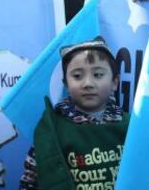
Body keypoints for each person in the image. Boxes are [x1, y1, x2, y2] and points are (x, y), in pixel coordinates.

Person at [20, 37, 129, 190]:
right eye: (77, 76)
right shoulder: (51, 130)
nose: (88, 84)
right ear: (65, 83)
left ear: (115, 82)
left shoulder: (130, 127)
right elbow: (30, 180)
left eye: (98, 75)